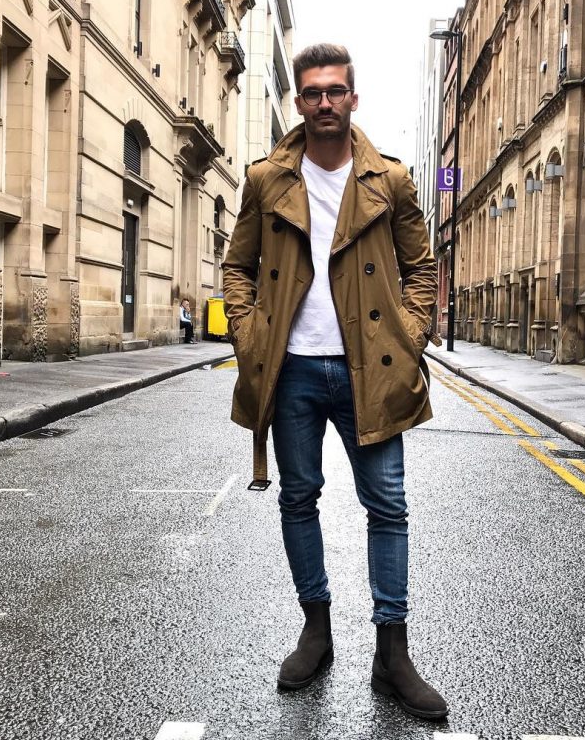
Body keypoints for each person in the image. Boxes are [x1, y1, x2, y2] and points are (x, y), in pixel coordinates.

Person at [222, 44, 446, 720]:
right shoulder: (266, 180)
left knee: (388, 506)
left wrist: (408, 336)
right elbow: (237, 266)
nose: (325, 103)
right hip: (289, 366)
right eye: (313, 92)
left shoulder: (392, 181)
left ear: (353, 98)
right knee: (299, 499)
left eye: (336, 91)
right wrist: (249, 331)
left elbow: (421, 267)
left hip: (370, 367)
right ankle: (315, 633)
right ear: (298, 102)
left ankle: (392, 652)